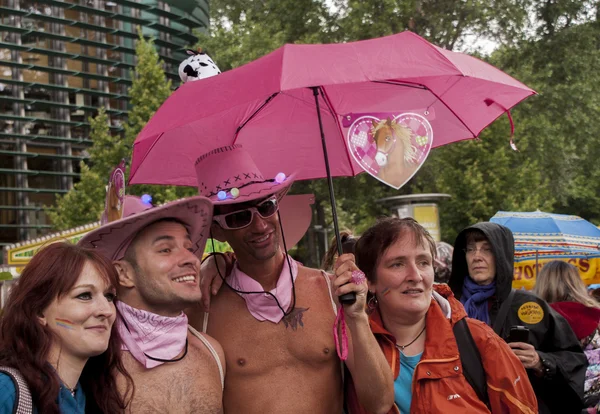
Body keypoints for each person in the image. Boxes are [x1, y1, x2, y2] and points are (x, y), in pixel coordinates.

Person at [187, 145, 394, 414]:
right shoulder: (202, 308)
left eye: (266, 207)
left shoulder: (332, 292)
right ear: (217, 231)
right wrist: (209, 262)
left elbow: (379, 404)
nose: (260, 225)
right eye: (240, 217)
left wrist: (357, 318)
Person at [341, 217, 537, 413]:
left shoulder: (481, 341)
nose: (416, 276)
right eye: (397, 264)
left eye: (423, 262)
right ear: (370, 281)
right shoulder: (347, 344)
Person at [79, 195, 225, 413]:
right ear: (123, 274)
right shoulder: (86, 360)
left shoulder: (212, 351)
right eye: (165, 249)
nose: (192, 259)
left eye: (188, 246)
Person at [448, 222, 587, 414]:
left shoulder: (530, 305)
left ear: (501, 255)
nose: (477, 256)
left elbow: (574, 359)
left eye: (486, 249)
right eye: (471, 249)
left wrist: (540, 361)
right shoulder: (448, 306)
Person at [0, 242, 133, 413]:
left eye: (109, 296)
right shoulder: (7, 392)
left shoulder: (95, 395)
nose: (106, 310)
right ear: (39, 312)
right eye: (84, 295)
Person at [534, 260, 600, 411]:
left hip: (550, 401)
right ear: (576, 283)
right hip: (590, 399)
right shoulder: (595, 317)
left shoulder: (537, 321)